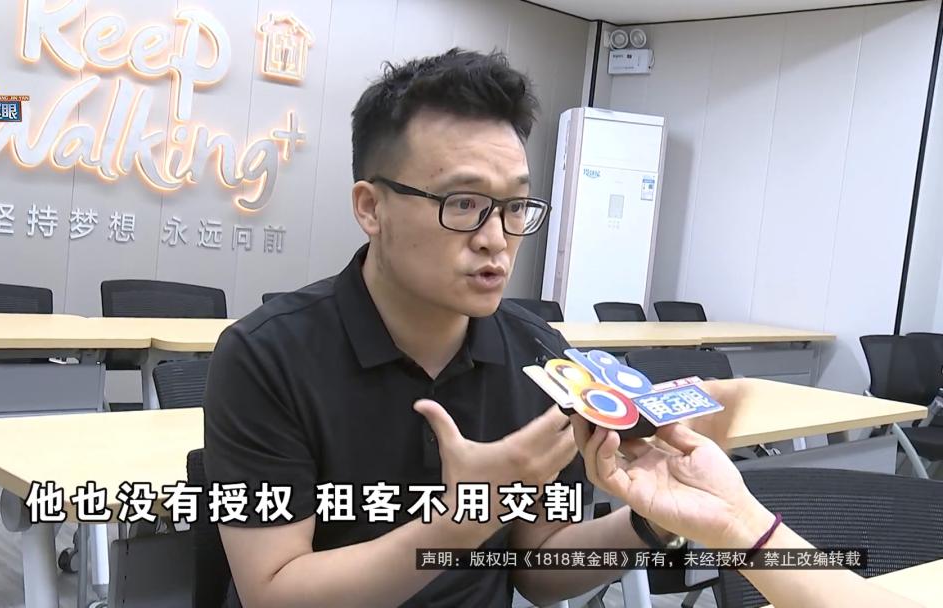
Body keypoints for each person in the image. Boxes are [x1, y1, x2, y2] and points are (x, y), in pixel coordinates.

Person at [203, 48, 918, 608]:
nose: (496, 239)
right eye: (462, 203)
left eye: (515, 207)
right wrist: (459, 523)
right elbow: (275, 591)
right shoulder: (266, 356)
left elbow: (539, 568)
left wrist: (655, 519)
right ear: (371, 207)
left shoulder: (541, 356)